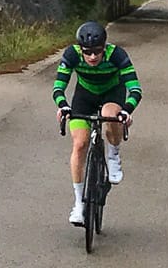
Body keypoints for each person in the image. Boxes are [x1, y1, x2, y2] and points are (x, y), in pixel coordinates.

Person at [53, 20, 141, 227]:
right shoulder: (72, 54)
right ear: (80, 49)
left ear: (104, 48)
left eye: (97, 52)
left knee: (110, 114)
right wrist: (63, 105)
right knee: (80, 144)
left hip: (112, 92)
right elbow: (58, 87)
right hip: (84, 96)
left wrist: (127, 110)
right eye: (88, 52)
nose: (92, 57)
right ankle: (78, 205)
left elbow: (135, 89)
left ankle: (113, 155)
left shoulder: (117, 55)